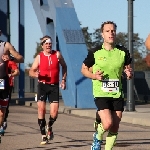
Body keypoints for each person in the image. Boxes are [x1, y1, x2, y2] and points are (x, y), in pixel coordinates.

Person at [81, 21, 133, 150]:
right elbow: (83, 69)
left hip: (117, 93)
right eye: (108, 31)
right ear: (102, 34)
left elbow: (129, 70)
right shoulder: (95, 52)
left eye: (113, 31)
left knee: (115, 126)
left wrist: (129, 73)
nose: (111, 33)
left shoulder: (123, 52)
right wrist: (94, 76)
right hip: (101, 92)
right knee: (108, 123)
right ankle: (97, 135)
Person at [29, 35, 67, 145]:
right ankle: (43, 135)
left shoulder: (57, 54)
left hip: (54, 86)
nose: (48, 45)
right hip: (42, 85)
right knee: (41, 109)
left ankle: (49, 126)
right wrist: (34, 74)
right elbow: (31, 70)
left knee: (54, 113)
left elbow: (64, 66)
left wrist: (63, 79)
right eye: (46, 43)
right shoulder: (39, 57)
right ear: (42, 46)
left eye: (50, 43)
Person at [0, 30, 24, 137]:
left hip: (2, 81)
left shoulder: (5, 45)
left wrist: (10, 58)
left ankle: (2, 121)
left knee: (2, 109)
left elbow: (21, 59)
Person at [2, 60, 20, 130]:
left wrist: (11, 74)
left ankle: (4, 120)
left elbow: (17, 71)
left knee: (5, 104)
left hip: (6, 84)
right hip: (1, 82)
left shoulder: (9, 62)